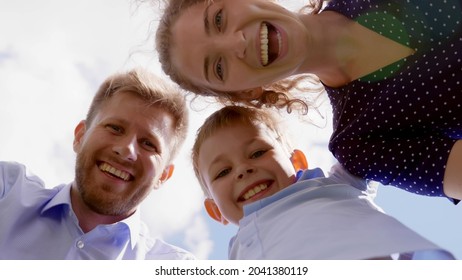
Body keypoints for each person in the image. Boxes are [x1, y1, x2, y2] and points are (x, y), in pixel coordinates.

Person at [155, 0, 462, 203]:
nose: (238, 42)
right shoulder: (359, 143)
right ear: (244, 92)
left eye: (219, 19)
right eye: (219, 67)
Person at [192, 105, 455, 259]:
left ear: (298, 163)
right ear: (215, 211)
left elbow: (366, 130)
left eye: (258, 153)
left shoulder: (335, 184)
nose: (242, 170)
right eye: (222, 172)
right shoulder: (236, 256)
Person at [0, 68, 195, 260]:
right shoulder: (8, 190)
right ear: (80, 136)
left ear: (163, 175)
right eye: (115, 128)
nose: (126, 149)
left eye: (148, 144)